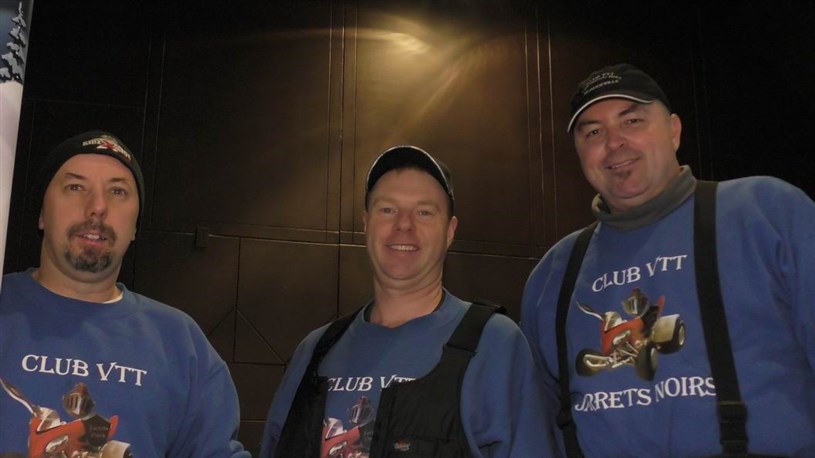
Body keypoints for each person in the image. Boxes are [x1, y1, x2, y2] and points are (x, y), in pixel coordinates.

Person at [521, 63, 815, 456]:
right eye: (593, 132)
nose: (614, 142)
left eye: (632, 120)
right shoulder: (553, 273)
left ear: (674, 130)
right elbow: (535, 425)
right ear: (579, 154)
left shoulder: (766, 212)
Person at [261, 145, 559, 457]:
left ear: (450, 231)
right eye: (388, 210)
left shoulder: (494, 344)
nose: (404, 224)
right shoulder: (314, 351)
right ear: (366, 223)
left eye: (424, 212)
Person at [0, 130, 249, 457]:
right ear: (42, 214)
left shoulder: (180, 342)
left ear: (134, 226)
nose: (97, 207)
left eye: (117, 191)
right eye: (75, 187)